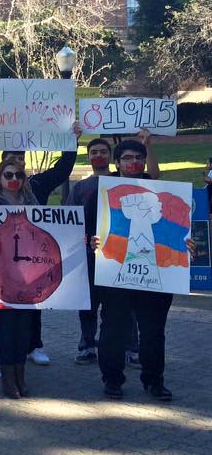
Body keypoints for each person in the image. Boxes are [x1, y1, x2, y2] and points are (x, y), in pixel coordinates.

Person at [76, 137, 190, 401]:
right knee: (113, 328)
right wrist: (91, 240)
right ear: (117, 162)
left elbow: (177, 229)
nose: (134, 162)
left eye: (138, 157)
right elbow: (87, 229)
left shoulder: (160, 190)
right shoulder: (104, 192)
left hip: (156, 275)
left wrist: (187, 243)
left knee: (153, 331)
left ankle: (154, 381)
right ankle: (112, 379)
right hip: (115, 273)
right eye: (127, 158)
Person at [0, 124, 82, 366]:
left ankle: (34, 346)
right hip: (3, 257)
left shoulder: (38, 184)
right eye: (10, 162)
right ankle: (6, 356)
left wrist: (72, 143)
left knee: (33, 305)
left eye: (20, 159)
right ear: (1, 166)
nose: (15, 168)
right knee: (3, 309)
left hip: (32, 256)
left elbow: (62, 170)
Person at [66, 135, 154, 365]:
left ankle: (131, 347)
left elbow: (154, 178)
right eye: (93, 152)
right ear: (89, 156)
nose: (98, 155)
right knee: (89, 303)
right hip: (90, 254)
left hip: (122, 254)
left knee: (124, 305)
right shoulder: (81, 187)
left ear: (112, 158)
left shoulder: (126, 182)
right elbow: (68, 219)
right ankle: (87, 345)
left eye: (103, 151)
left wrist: (147, 146)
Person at [0, 155, 42, 399]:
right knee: (5, 327)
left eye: (19, 175)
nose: (14, 179)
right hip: (0, 278)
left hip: (28, 276)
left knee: (24, 326)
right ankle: (7, 377)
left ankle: (20, 373)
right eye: (8, 175)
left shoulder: (33, 203)